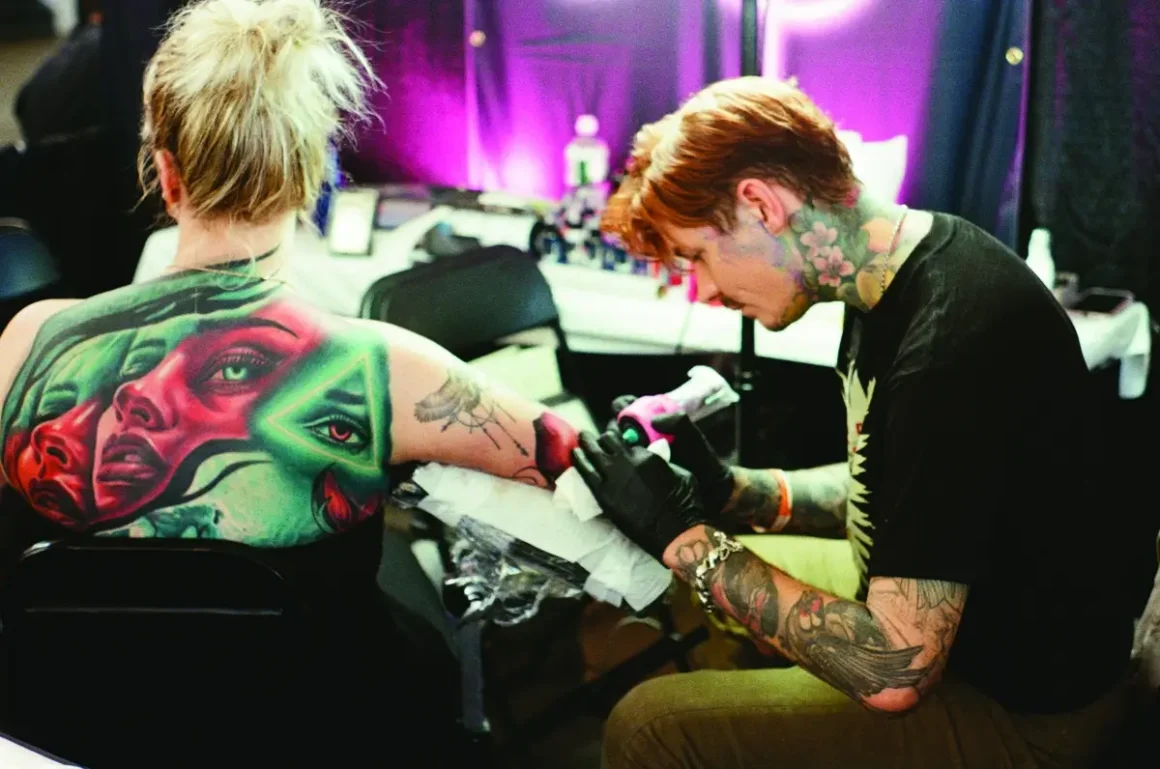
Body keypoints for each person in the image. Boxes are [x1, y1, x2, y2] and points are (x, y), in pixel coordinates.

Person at [0, 0, 578, 759]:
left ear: (165, 174)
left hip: (70, 726)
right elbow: (571, 458)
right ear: (313, 177)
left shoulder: (28, 342)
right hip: (314, 729)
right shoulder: (381, 364)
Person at [573, 77, 1135, 769]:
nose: (705, 291)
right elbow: (902, 489)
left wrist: (683, 537)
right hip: (954, 628)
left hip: (1028, 715)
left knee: (648, 727)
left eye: (697, 257)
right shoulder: (888, 275)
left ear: (760, 204)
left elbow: (895, 667)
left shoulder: (950, 337)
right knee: (695, 594)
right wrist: (729, 491)